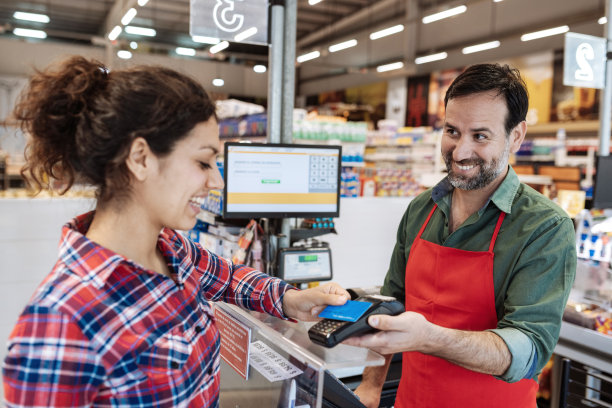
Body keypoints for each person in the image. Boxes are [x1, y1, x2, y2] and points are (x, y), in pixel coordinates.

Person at [2, 56, 349, 407]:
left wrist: (290, 299)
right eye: (203, 162)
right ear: (140, 158)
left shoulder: (171, 249)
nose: (217, 181)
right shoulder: (59, 324)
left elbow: (228, 278)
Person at [346, 64, 576, 408]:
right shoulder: (421, 209)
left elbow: (527, 348)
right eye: (452, 131)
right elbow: (391, 304)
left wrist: (430, 339)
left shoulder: (544, 227)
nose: (460, 150)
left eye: (480, 136)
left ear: (515, 136)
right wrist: (370, 388)